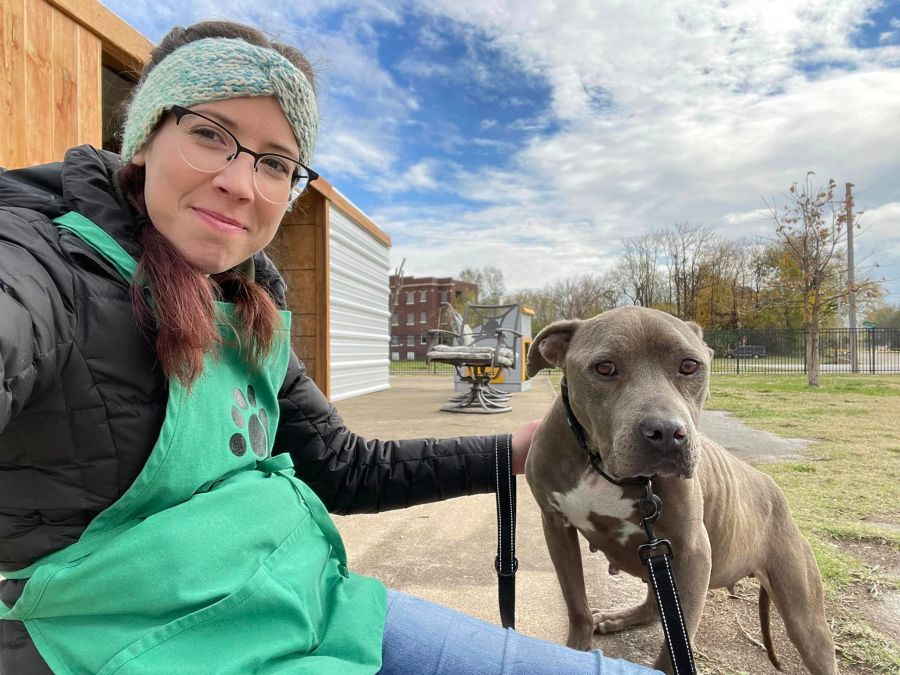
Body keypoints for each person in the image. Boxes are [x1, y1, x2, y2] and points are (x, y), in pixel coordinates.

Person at [0, 20, 659, 675]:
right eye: (209, 134)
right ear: (144, 138)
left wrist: (510, 451)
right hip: (148, 647)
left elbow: (341, 466)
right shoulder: (48, 263)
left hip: (309, 602)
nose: (241, 182)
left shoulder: (248, 302)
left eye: (276, 163)